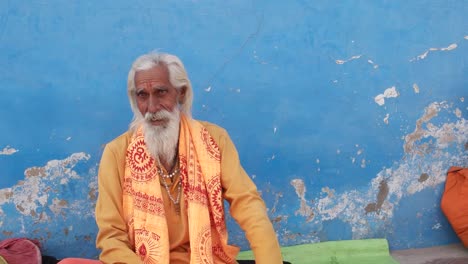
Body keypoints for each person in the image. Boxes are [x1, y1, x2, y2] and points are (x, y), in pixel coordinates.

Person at [59, 52, 283, 264]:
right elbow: (111, 237)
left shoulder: (214, 140)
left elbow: (248, 205)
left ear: (181, 93)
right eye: (142, 96)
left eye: (161, 92)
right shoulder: (117, 152)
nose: (152, 108)